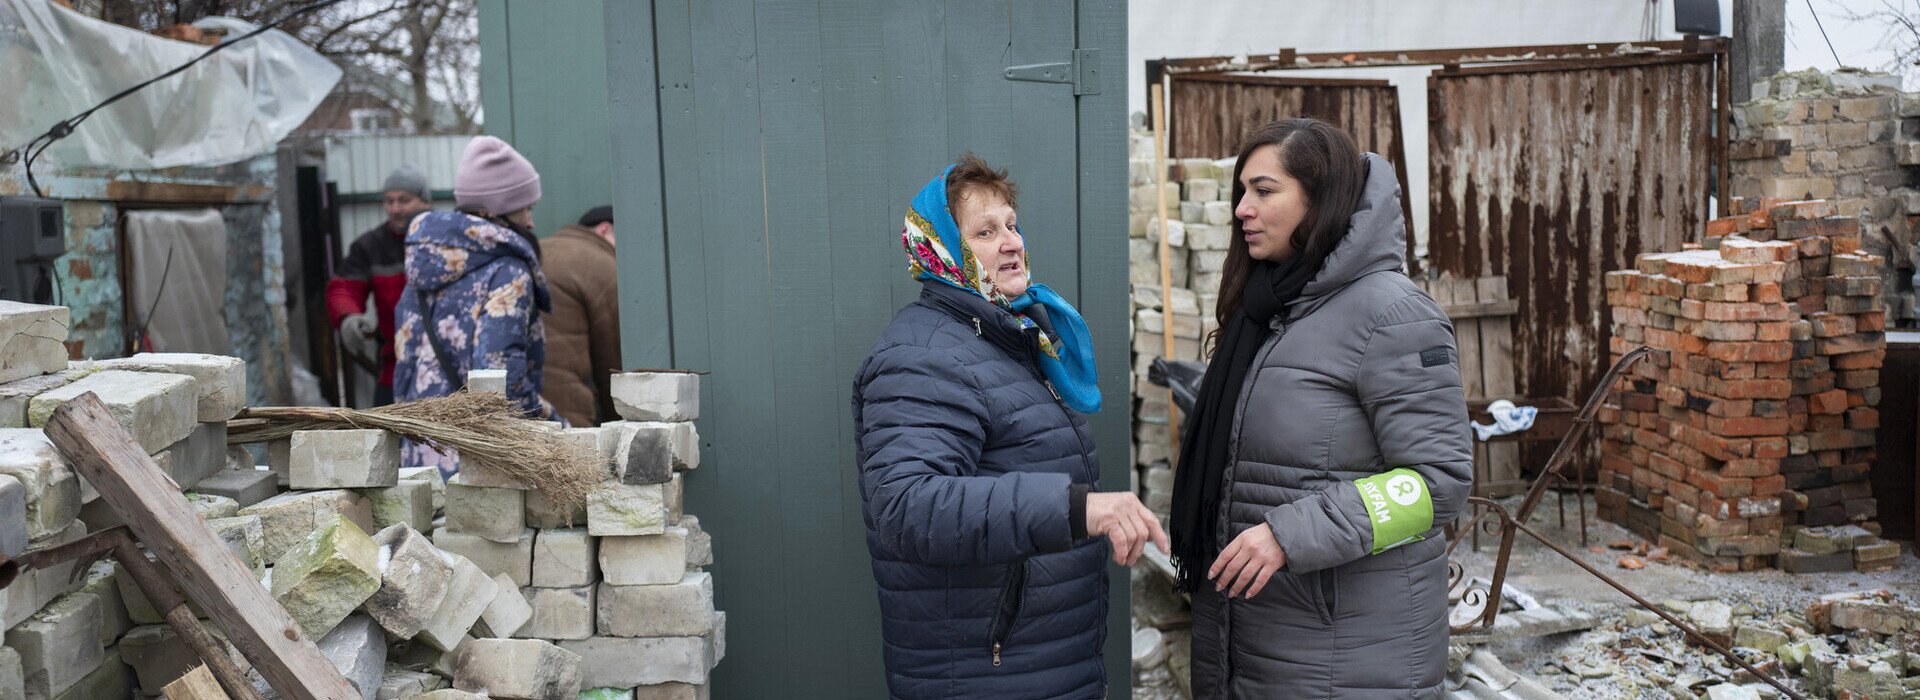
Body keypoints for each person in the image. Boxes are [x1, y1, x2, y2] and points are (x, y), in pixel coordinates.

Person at [1170, 118, 1471, 698]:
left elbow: (1438, 485)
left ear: (1321, 198)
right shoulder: (1269, 309)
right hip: (1255, 639)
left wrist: (1289, 534)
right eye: (1241, 192)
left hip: (1346, 656)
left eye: (1263, 190)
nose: (1241, 210)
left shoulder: (1392, 315)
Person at [851, 154, 1167, 699]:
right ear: (943, 251)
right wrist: (1079, 508)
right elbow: (906, 504)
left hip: (1037, 666)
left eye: (1013, 225)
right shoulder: (923, 356)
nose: (1012, 242)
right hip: (986, 675)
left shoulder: (1002, 340)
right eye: (986, 231)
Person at [393, 136, 560, 471]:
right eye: (525, 209)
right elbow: (500, 379)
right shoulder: (507, 271)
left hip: (419, 456)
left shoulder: (423, 266)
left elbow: (404, 368)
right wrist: (552, 427)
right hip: (478, 461)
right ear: (493, 212)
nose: (530, 222)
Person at [327, 163, 433, 405]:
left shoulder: (447, 239)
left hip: (445, 369)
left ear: (425, 201)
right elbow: (344, 287)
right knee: (387, 440)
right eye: (389, 201)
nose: (395, 209)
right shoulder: (370, 246)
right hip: (393, 370)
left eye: (404, 200)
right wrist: (348, 317)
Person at [541, 205, 622, 426]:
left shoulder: (536, 249)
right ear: (604, 230)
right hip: (567, 421)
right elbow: (613, 369)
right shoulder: (604, 265)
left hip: (512, 414)